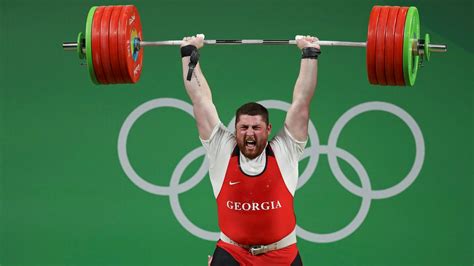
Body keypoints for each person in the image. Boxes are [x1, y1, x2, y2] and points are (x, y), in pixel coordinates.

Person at [180, 34, 320, 266]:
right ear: (235, 129)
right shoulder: (221, 148)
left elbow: (302, 101)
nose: (250, 133)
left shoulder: (286, 149)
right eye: (244, 127)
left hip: (281, 256)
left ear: (268, 129)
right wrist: (188, 54)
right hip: (233, 254)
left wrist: (309, 54)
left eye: (256, 127)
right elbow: (200, 99)